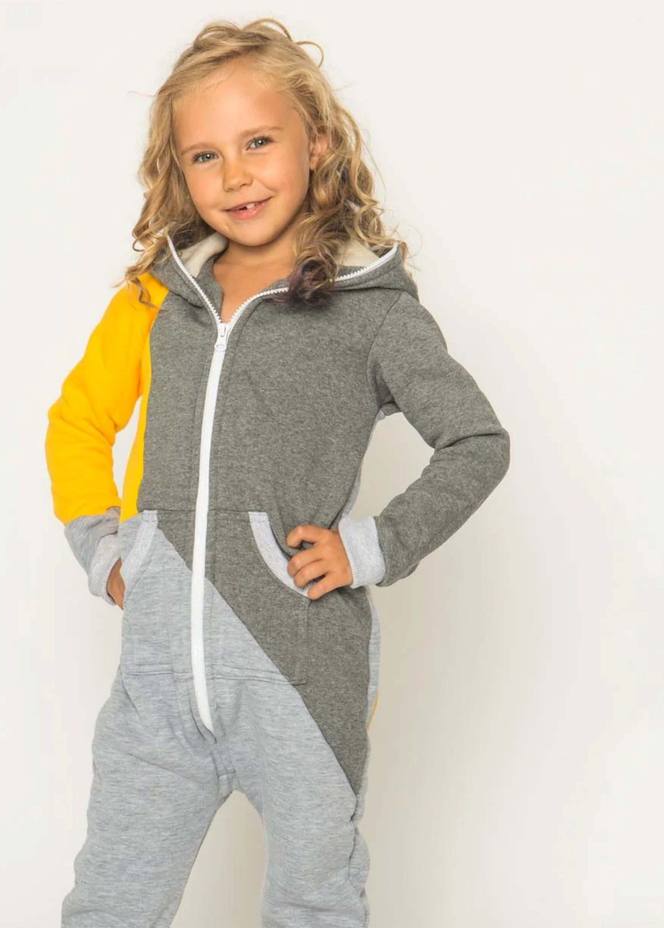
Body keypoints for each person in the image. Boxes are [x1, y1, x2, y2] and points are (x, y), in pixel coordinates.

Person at [45, 17, 510, 927]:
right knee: (109, 904)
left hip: (299, 678)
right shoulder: (155, 299)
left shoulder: (371, 313)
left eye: (259, 142)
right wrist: (105, 548)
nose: (236, 176)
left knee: (313, 901)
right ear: (179, 171)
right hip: (156, 691)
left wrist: (373, 547)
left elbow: (476, 441)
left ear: (318, 142)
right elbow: (78, 421)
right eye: (206, 155)